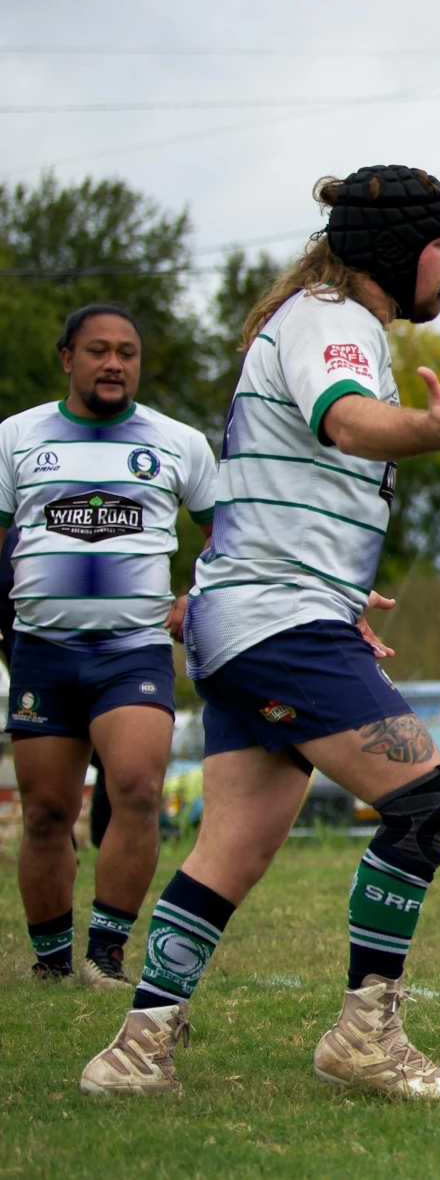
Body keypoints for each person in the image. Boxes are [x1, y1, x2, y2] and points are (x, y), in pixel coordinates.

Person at [81, 167, 440, 1099]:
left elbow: (295, 481)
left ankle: (135, 1051)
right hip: (274, 621)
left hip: (256, 614)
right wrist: (438, 433)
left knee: (234, 844)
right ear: (397, 248)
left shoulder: (319, 319)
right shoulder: (334, 322)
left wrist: (338, 591)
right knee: (425, 800)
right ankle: (365, 1033)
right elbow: (347, 425)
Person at [5, 305, 215, 988]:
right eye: (98, 350)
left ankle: (105, 954)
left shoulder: (178, 443)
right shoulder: (16, 438)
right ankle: (52, 962)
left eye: (127, 352)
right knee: (45, 813)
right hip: (42, 649)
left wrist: (195, 596)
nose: (114, 363)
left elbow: (228, 532)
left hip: (134, 650)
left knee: (135, 787)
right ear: (68, 358)